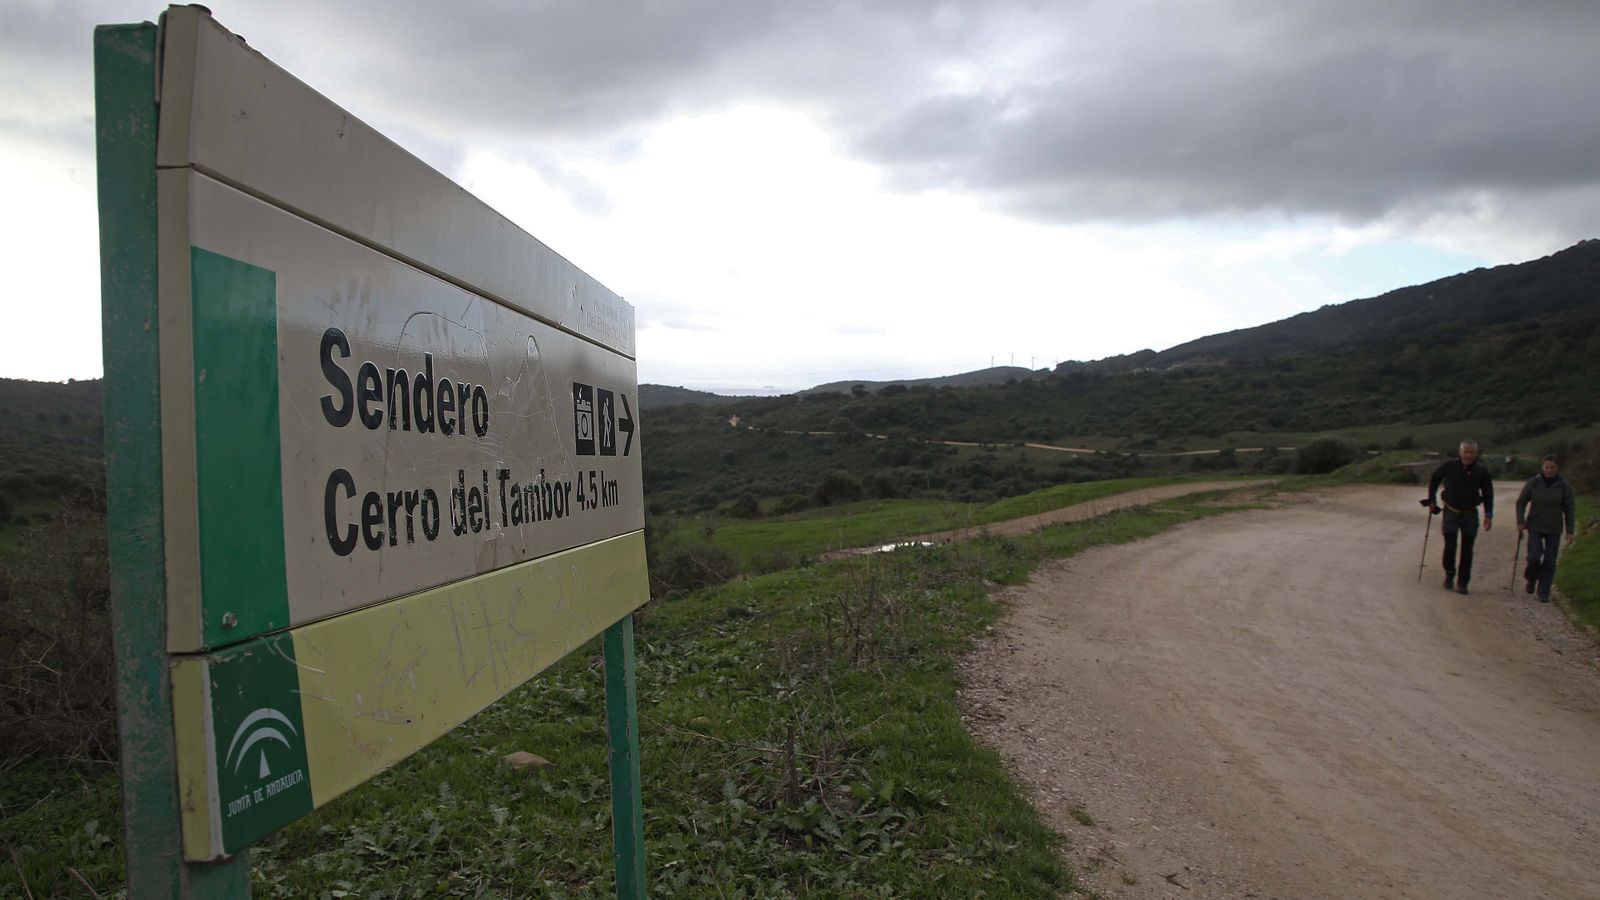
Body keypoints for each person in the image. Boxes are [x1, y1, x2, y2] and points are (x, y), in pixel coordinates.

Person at [1427, 440, 1494, 595]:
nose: (1468, 455)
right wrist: (1431, 499)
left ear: (1476, 454)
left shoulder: (1481, 471)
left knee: (1467, 549)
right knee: (1450, 545)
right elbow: (1435, 478)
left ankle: (1463, 582)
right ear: (1460, 453)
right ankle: (1449, 573)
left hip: (1470, 513)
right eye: (1466, 452)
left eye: (1471, 452)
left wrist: (1488, 514)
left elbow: (1488, 494)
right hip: (1450, 511)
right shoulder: (1449, 467)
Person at [1515, 454, 1577, 603]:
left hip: (1554, 527)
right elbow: (1521, 502)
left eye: (1552, 467)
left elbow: (1569, 508)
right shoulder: (1533, 482)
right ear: (1543, 467)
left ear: (1557, 468)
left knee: (1550, 560)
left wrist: (1570, 530)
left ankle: (1543, 592)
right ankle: (1531, 579)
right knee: (1534, 557)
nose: (1549, 470)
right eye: (1547, 467)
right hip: (1535, 525)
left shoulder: (1563, 486)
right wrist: (1520, 521)